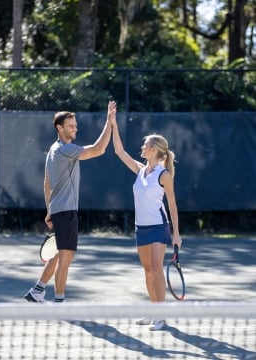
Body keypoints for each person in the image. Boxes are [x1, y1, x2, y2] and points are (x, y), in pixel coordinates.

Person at [24, 100, 116, 303]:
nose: (75, 129)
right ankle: (60, 301)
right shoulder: (66, 149)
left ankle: (37, 291)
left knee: (58, 254)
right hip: (66, 211)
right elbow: (99, 149)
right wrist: (109, 122)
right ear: (60, 128)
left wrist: (49, 211)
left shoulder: (52, 150)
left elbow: (47, 182)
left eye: (76, 125)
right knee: (66, 257)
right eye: (71, 126)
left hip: (59, 210)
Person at [111, 116, 182, 331]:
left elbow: (172, 205)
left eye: (145, 144)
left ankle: (160, 316)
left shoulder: (164, 174)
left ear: (154, 150)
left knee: (157, 269)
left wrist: (176, 233)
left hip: (159, 227)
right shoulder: (141, 170)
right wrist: (113, 123)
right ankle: (153, 310)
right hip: (140, 228)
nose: (142, 147)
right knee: (148, 270)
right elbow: (119, 152)